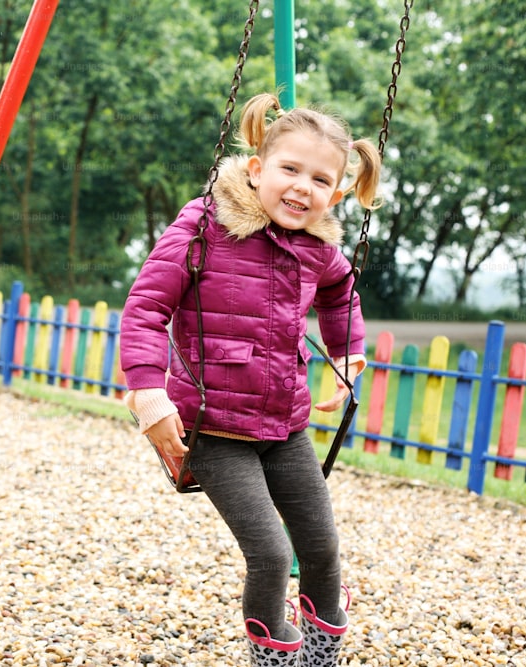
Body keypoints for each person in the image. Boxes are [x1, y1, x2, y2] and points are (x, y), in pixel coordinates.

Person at [119, 92, 381, 667]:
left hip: (286, 425)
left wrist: (348, 348)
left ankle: (321, 655)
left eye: (319, 179)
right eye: (290, 169)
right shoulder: (205, 225)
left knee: (320, 548)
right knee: (268, 552)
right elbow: (144, 308)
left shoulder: (315, 246)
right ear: (258, 169)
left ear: (335, 192)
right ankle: (277, 660)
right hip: (212, 429)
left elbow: (340, 290)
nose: (302, 187)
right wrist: (148, 392)